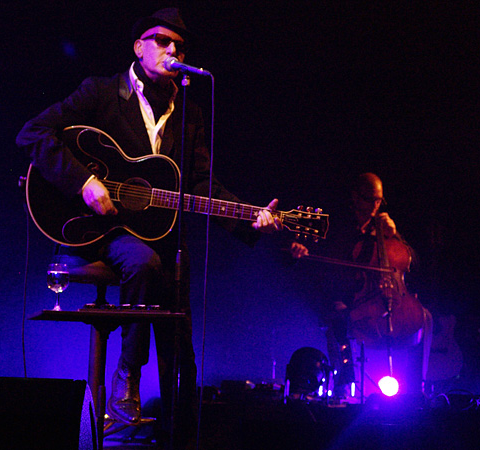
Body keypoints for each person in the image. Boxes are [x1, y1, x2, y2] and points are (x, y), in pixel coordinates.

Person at [16, 7, 282, 448]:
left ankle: (179, 430)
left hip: (162, 235)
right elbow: (33, 133)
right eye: (162, 40)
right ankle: (126, 383)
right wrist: (83, 181)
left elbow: (199, 183)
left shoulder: (190, 113)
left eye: (179, 44)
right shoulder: (101, 92)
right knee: (144, 262)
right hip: (100, 230)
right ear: (138, 47)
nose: (173, 49)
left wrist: (249, 216)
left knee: (180, 344)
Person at [290, 173, 431, 398]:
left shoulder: (384, 227)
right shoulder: (337, 226)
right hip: (346, 297)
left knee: (423, 317)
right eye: (369, 199)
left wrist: (395, 237)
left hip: (381, 296)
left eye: (379, 201)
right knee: (338, 316)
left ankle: (417, 387)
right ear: (355, 197)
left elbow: (410, 260)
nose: (375, 206)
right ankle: (344, 384)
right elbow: (321, 264)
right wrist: (302, 253)